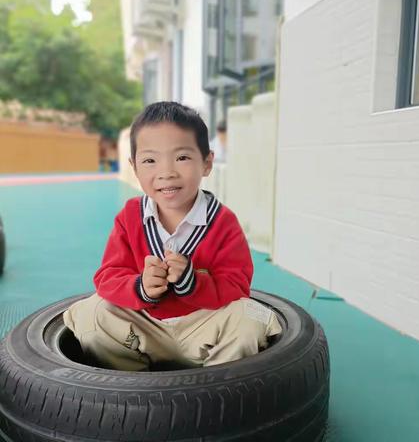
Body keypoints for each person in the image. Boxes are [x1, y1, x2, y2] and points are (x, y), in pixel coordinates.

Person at [63, 101, 281, 371]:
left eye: (182, 158)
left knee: (251, 317)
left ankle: (216, 387)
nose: (166, 172)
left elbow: (237, 285)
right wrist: (140, 286)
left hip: (204, 328)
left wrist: (194, 283)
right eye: (150, 160)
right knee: (91, 313)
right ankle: (129, 386)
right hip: (142, 331)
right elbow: (107, 278)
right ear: (135, 167)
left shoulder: (223, 221)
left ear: (207, 163)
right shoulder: (129, 216)